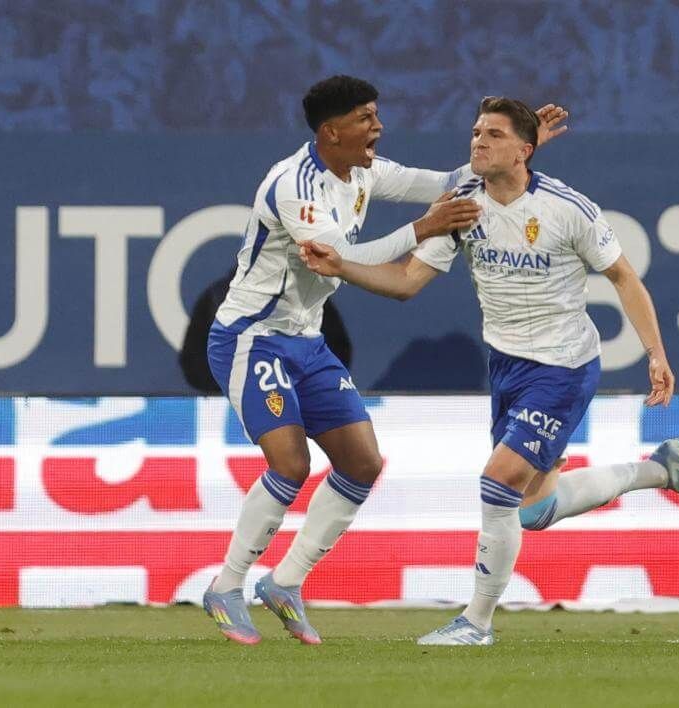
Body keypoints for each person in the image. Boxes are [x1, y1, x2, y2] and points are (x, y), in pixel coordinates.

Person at [300, 97, 679, 646]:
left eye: (493, 134)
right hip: (506, 366)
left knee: (497, 482)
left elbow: (623, 276)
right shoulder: (462, 207)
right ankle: (660, 470)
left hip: (563, 366)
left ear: (524, 150)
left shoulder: (569, 208)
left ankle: (476, 623)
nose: (478, 141)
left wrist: (656, 354)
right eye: (476, 132)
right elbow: (405, 283)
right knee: (533, 510)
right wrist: (342, 267)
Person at [201, 76, 568, 645]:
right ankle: (226, 585)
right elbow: (340, 258)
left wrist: (521, 147)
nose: (379, 126)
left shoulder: (365, 173)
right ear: (332, 131)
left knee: (362, 463)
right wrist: (424, 228)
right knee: (290, 464)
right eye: (366, 118)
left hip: (307, 339)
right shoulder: (294, 185)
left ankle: (286, 582)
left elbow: (448, 182)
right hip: (253, 336)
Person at [178, 270, 351, 393]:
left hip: (298, 405)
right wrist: (230, 390)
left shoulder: (307, 296)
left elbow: (337, 349)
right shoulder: (216, 297)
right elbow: (193, 359)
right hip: (232, 408)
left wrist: (303, 386)